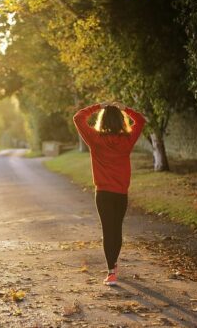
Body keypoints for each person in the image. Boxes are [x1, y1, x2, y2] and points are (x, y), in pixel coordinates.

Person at [73, 101, 146, 286]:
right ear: (121, 121)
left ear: (102, 120)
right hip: (120, 193)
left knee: (108, 230)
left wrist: (98, 106)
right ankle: (113, 266)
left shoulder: (95, 139)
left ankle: (111, 271)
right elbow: (140, 120)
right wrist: (125, 108)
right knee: (117, 229)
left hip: (103, 194)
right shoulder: (127, 140)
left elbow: (78, 117)